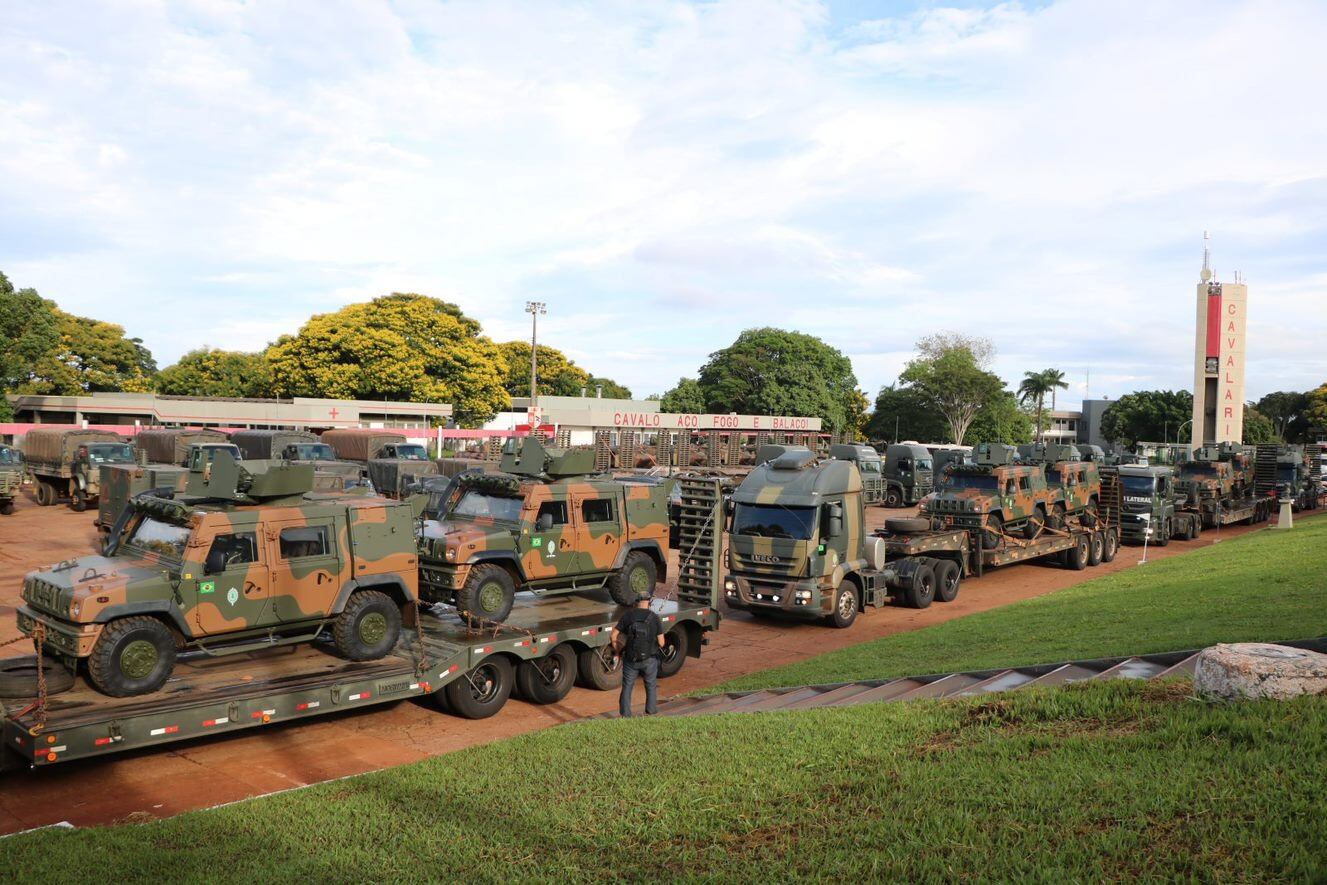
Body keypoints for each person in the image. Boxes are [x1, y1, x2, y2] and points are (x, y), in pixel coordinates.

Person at [611, 594, 666, 717]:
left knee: (627, 687)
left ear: (636, 602)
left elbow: (613, 636)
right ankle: (651, 711)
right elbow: (662, 643)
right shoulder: (654, 618)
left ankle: (625, 715)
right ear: (649, 603)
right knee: (651, 685)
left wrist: (618, 651)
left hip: (630, 660)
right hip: (649, 659)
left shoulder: (628, 616)